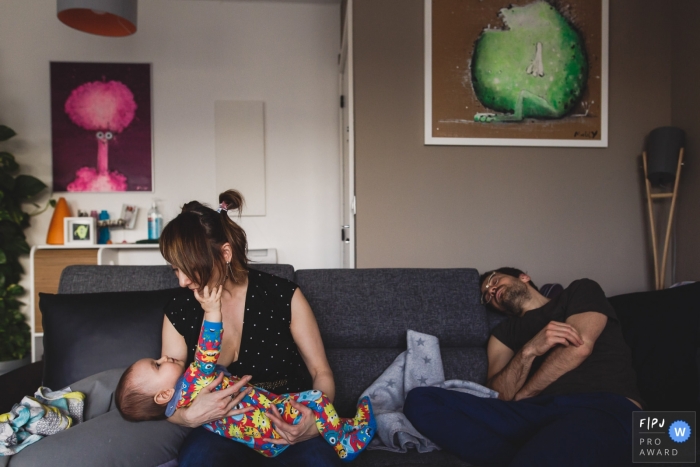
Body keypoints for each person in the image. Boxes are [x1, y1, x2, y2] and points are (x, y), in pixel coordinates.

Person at [157, 190, 342, 466]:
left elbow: (321, 371)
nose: (182, 281)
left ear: (225, 253)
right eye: (175, 270)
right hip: (220, 430)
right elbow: (169, 394)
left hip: (287, 423)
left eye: (189, 268)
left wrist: (313, 422)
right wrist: (188, 416)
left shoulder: (283, 296)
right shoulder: (179, 309)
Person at [404, 267, 642, 467]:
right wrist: (529, 350)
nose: (491, 290)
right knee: (420, 400)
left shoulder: (580, 290)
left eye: (494, 281)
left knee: (557, 444)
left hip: (600, 406)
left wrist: (527, 393)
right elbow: (500, 394)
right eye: (487, 295)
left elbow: (579, 347)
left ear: (523, 276)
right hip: (532, 414)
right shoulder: (503, 334)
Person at [115, 285, 376, 462]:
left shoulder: (174, 401)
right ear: (163, 395)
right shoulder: (192, 379)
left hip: (260, 431)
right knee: (317, 401)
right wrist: (212, 311)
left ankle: (335, 429)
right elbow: (207, 349)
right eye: (157, 365)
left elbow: (322, 370)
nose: (163, 357)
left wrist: (310, 428)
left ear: (225, 253)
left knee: (314, 422)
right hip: (268, 417)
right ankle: (345, 438)